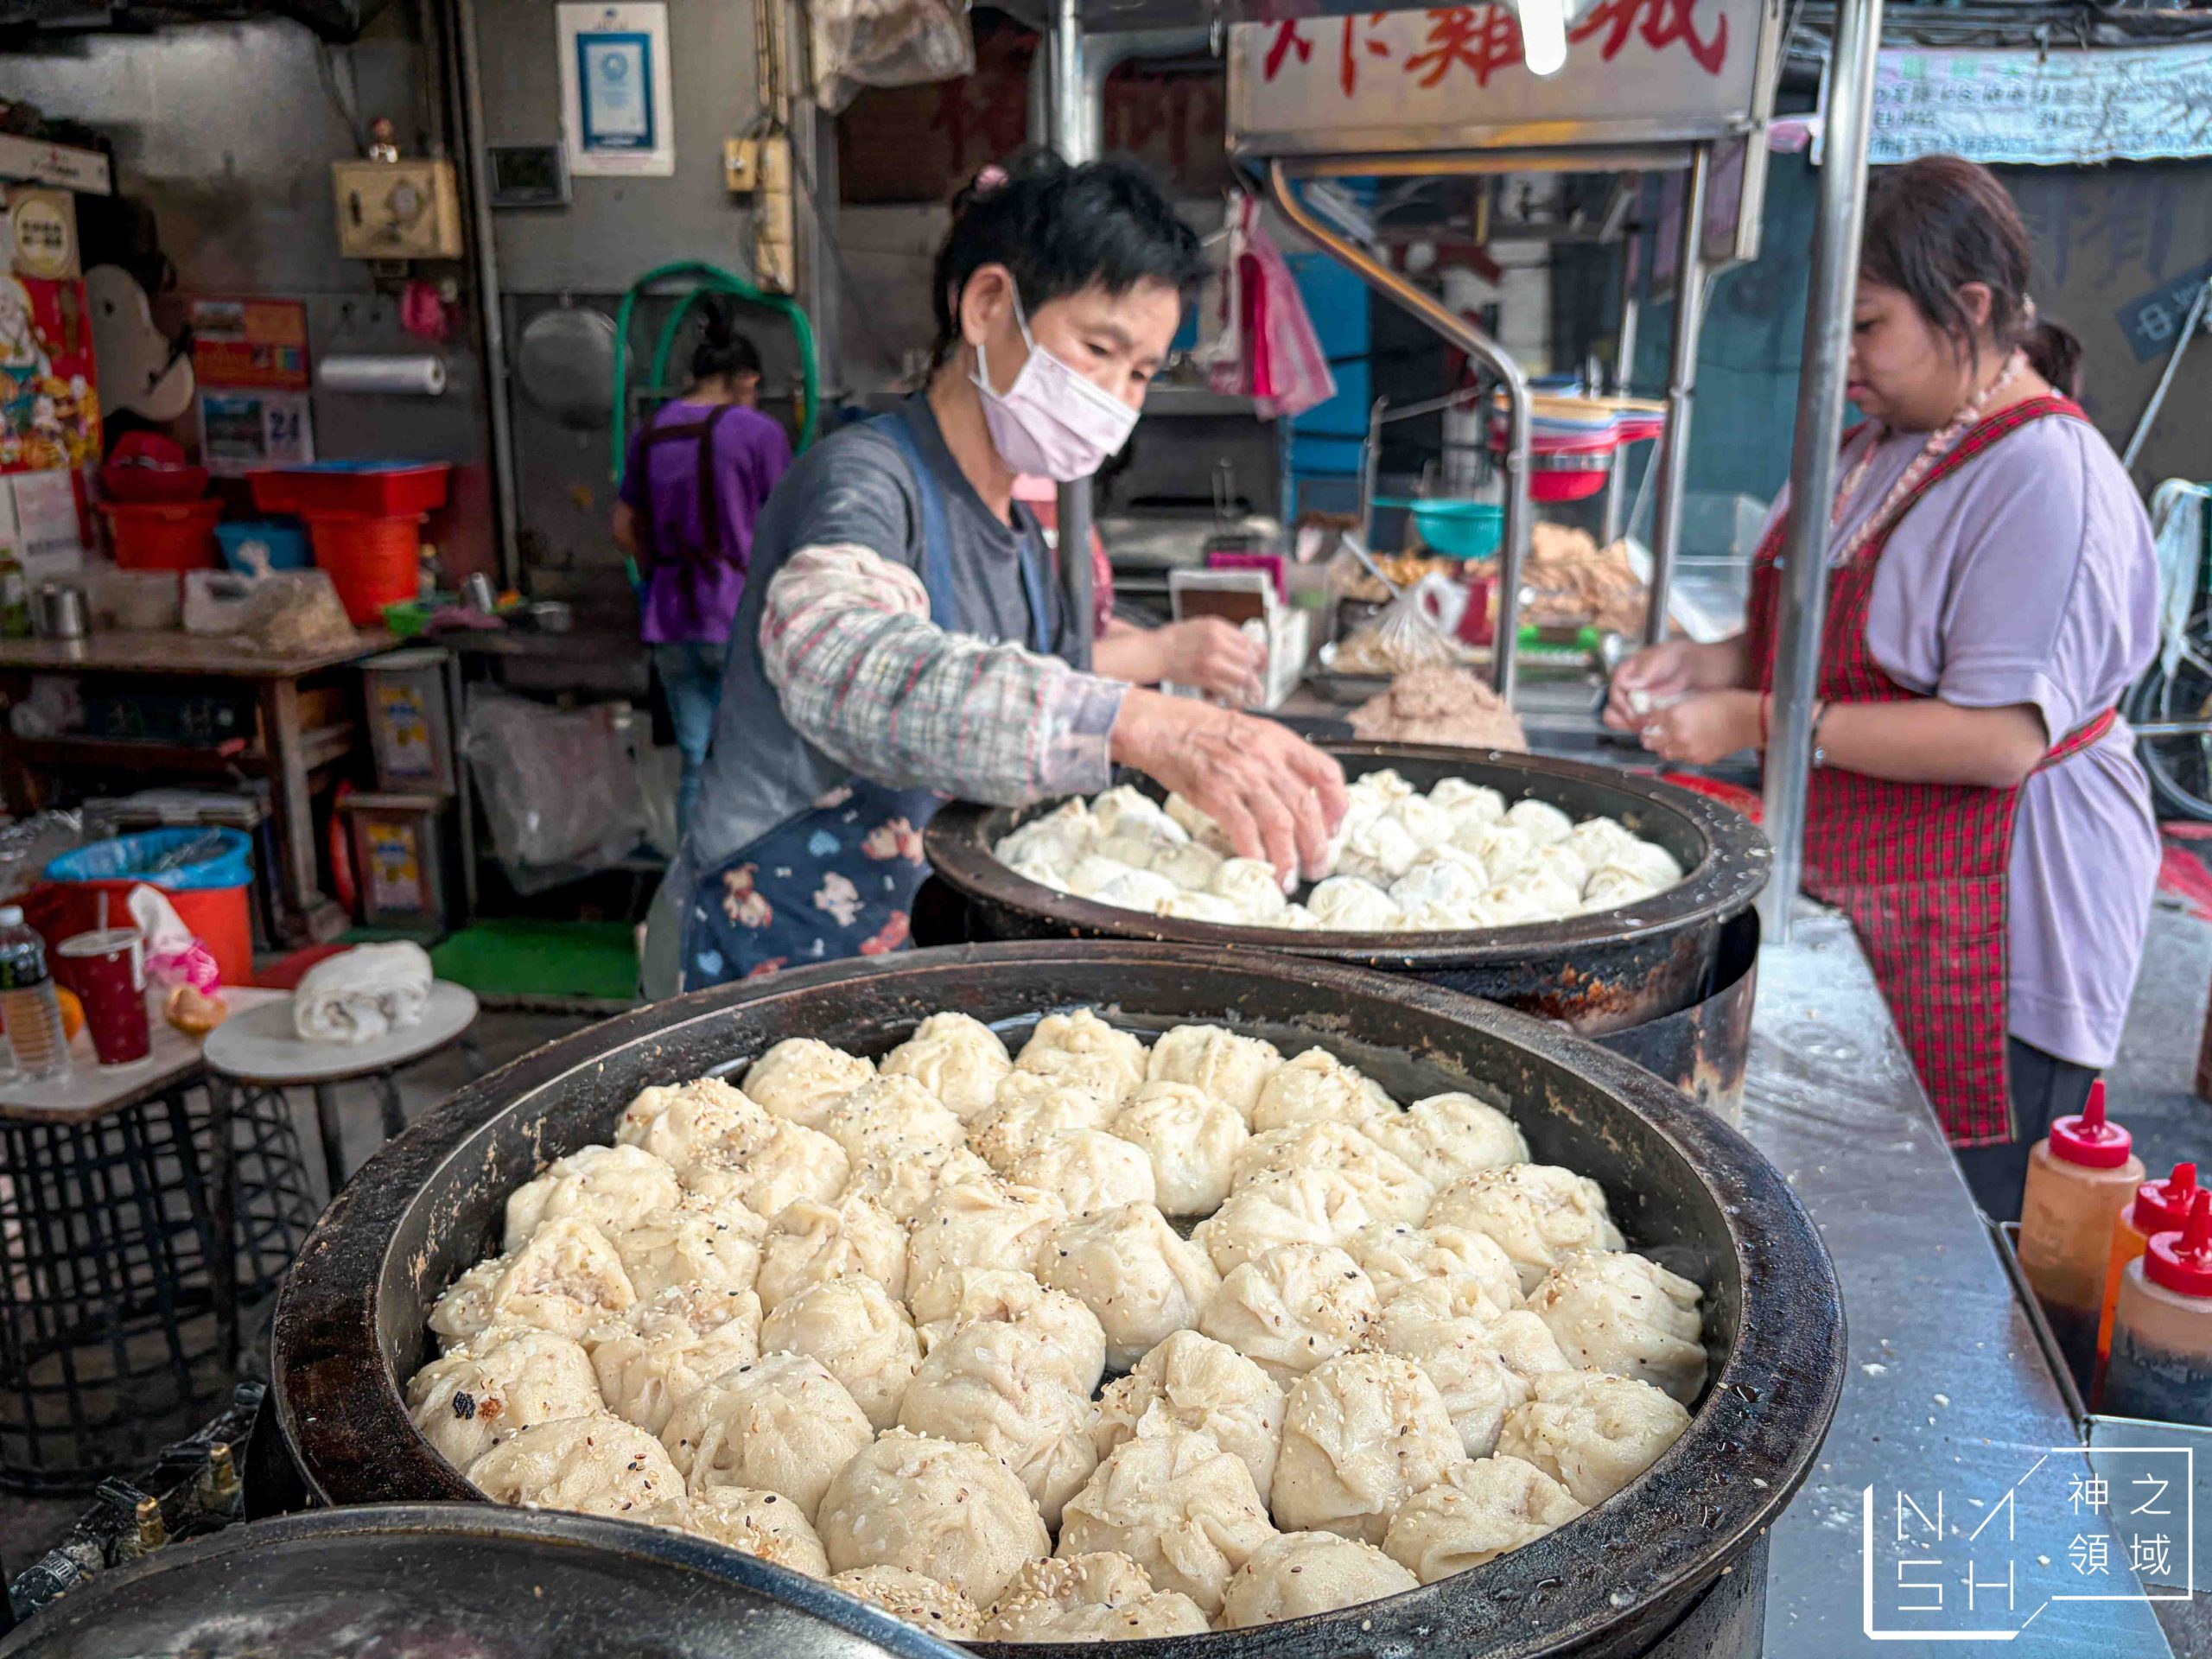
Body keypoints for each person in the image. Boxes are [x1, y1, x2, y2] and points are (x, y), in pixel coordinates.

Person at [639, 153, 1344, 995]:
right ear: (985, 306)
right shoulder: (864, 482)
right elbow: (840, 660)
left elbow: (1040, 679)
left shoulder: (1017, 534)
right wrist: (1147, 725)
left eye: (1141, 374)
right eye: (1097, 349)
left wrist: (1163, 678)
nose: (1117, 398)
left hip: (921, 941)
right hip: (783, 945)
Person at [1606, 155, 2159, 1222]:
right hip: (1869, 890)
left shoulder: (2042, 474)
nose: (1843, 360)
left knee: (1958, 1222)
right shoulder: (1877, 444)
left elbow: (2000, 737)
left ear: (1971, 308)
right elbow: (1824, 635)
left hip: (1995, 922)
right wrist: (1704, 662)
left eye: (1865, 328)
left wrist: (1753, 718)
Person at [613, 302, 793, 835]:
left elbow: (623, 526)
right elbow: (787, 528)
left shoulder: (651, 432)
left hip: (670, 620)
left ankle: (695, 889)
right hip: (738, 615)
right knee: (755, 762)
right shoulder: (756, 431)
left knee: (699, 760)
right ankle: (753, 891)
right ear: (747, 381)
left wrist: (654, 578)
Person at [1010, 471, 1269, 704]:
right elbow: (1014, 681)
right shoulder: (1003, 508)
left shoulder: (1063, 489)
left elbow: (1083, 628)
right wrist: (1163, 653)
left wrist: (1193, 658)